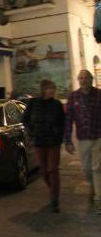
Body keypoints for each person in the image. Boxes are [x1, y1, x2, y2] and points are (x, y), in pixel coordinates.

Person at [23, 79, 65, 213]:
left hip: (53, 142)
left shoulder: (57, 104)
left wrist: (60, 136)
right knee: (43, 170)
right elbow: (25, 119)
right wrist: (31, 132)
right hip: (39, 141)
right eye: (49, 88)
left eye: (53, 88)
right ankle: (52, 188)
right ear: (43, 89)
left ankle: (54, 200)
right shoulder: (33, 103)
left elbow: (63, 122)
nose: (52, 90)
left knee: (52, 169)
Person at [64, 69, 101, 211]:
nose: (84, 80)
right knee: (86, 169)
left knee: (97, 168)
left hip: (98, 136)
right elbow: (68, 120)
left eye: (86, 77)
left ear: (91, 79)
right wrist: (68, 140)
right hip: (83, 138)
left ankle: (98, 199)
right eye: (81, 78)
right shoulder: (73, 97)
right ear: (78, 80)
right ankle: (93, 186)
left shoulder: (99, 95)